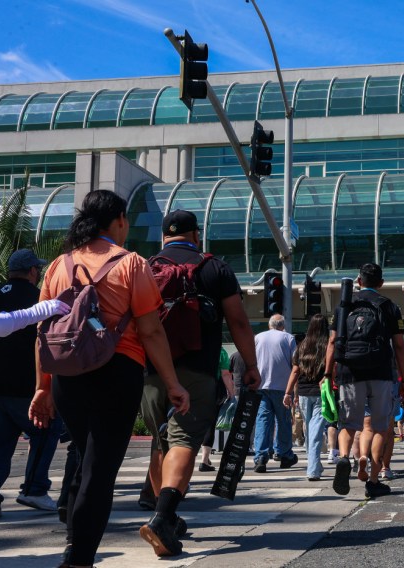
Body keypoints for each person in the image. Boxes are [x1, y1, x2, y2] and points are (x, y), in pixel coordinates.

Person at [29, 190, 190, 568]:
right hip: (116, 371)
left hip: (67, 376)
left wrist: (42, 387)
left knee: (86, 457)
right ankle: (79, 557)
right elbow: (151, 331)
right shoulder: (132, 263)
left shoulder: (58, 265)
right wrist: (172, 384)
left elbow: (43, 332)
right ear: (118, 219)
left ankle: (74, 537)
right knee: (100, 470)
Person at [138, 209, 260, 557]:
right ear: (196, 234)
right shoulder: (215, 268)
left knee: (162, 442)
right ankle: (163, 517)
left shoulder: (146, 267)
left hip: (150, 371)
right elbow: (237, 321)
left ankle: (168, 517)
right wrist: (249, 365)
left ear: (164, 237)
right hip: (195, 369)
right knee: (185, 440)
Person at [0, 249, 62, 522]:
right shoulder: (39, 300)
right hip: (25, 387)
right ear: (33, 271)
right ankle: (34, 488)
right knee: (48, 430)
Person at [325, 263, 404, 499]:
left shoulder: (344, 305)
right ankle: (373, 481)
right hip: (381, 373)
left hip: (349, 371)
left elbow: (332, 342)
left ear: (358, 280)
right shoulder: (389, 306)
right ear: (381, 283)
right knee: (380, 428)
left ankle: (344, 458)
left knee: (348, 425)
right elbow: (399, 346)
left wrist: (327, 373)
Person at [283, 313, 329, 481]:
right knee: (314, 431)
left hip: (303, 393)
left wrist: (288, 392)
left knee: (310, 430)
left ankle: (314, 464)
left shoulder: (301, 346)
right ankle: (313, 469)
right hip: (321, 392)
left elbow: (295, 371)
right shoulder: (328, 346)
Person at [253, 314, 298, 473]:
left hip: (261, 386)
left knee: (263, 420)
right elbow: (295, 365)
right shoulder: (288, 338)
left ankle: (261, 456)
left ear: (270, 325)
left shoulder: (258, 337)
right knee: (283, 421)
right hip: (282, 387)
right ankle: (284, 454)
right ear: (282, 325)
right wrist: (293, 390)